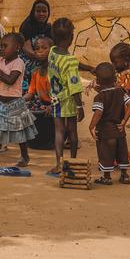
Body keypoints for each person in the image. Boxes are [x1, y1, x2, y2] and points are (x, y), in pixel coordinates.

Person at [0, 32, 37, 170]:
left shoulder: (19, 63)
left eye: (5, 46)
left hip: (15, 104)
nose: (1, 49)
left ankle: (24, 155)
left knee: (20, 133)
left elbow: (11, 80)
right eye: (1, 46)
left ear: (17, 47)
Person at [48, 17, 84, 175]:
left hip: (55, 99)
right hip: (69, 101)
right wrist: (80, 105)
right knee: (72, 132)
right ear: (71, 38)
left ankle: (59, 163)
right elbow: (74, 87)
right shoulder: (70, 61)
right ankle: (73, 161)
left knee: (59, 132)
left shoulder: (52, 52)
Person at [89, 62, 130, 185]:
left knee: (105, 153)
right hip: (119, 129)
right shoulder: (120, 92)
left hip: (105, 131)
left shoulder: (100, 97)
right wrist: (124, 121)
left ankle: (107, 177)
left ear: (98, 81)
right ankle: (124, 175)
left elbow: (98, 112)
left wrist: (91, 126)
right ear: (115, 79)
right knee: (122, 151)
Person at [23, 36, 55, 149]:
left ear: (52, 50)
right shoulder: (35, 72)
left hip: (56, 104)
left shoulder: (55, 71)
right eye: (37, 48)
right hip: (43, 104)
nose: (40, 51)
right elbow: (31, 93)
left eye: (44, 48)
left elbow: (61, 94)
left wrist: (52, 105)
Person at [19, 0, 52, 92]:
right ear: (33, 12)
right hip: (29, 57)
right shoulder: (27, 25)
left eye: (44, 11)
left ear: (48, 12)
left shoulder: (49, 28)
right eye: (38, 11)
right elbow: (26, 46)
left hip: (43, 57)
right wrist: (36, 55)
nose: (41, 14)